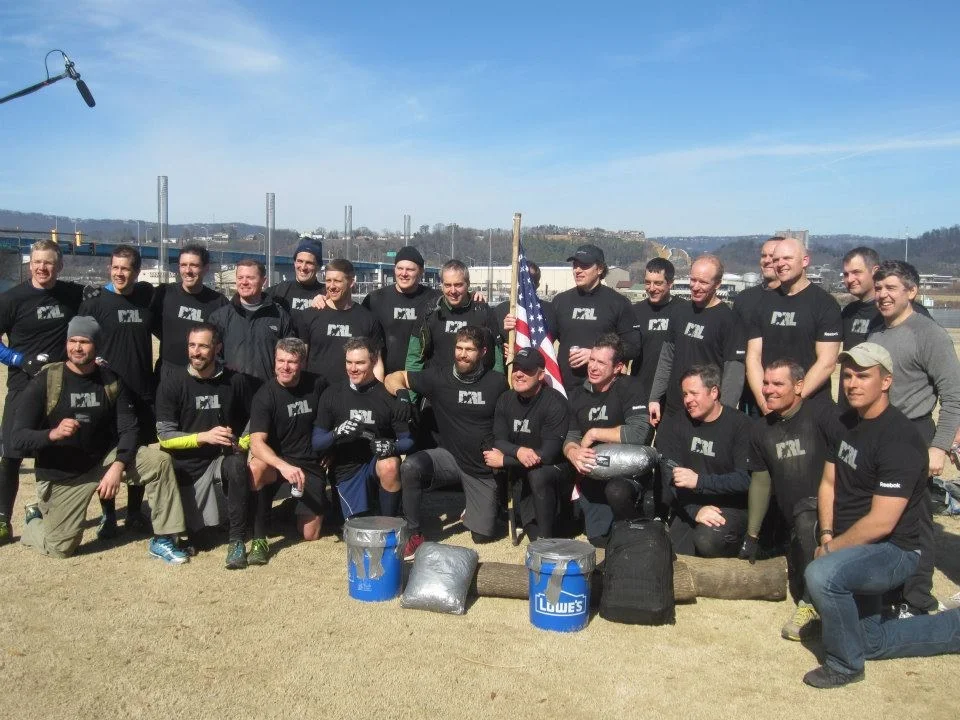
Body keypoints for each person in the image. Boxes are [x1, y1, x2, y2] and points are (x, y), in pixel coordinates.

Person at [802, 342, 960, 689]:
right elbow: (828, 482)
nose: (852, 383)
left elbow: (882, 522)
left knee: (822, 574)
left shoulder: (899, 438)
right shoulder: (845, 423)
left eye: (863, 376)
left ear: (886, 381)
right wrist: (826, 533)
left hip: (893, 550)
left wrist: (830, 550)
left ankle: (844, 665)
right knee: (869, 641)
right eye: (847, 376)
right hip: (854, 545)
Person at [12, 316, 188, 563]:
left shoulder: (110, 380)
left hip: (103, 460)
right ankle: (34, 519)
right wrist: (52, 434)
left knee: (158, 462)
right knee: (60, 547)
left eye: (84, 342)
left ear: (97, 345)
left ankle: (164, 538)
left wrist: (117, 466)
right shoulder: (47, 380)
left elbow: (129, 429)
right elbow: (17, 438)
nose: (77, 347)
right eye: (72, 341)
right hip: (64, 474)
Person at [866, 260, 960, 616]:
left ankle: (917, 599)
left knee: (915, 520)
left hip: (914, 433)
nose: (883, 295)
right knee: (880, 515)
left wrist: (939, 446)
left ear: (912, 291)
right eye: (879, 288)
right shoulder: (876, 330)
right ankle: (888, 590)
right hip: (877, 434)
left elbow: (954, 396)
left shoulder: (928, 334)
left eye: (891, 288)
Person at [741, 359, 843, 641]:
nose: (768, 390)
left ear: (799, 386)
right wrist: (751, 534)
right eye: (765, 383)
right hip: (794, 524)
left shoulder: (823, 416)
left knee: (807, 515)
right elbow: (761, 482)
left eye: (778, 384)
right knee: (797, 576)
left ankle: (812, 603)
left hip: (831, 514)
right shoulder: (760, 429)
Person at [385, 325, 508, 557]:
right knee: (411, 466)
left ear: (483, 352)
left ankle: (480, 509)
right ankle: (414, 533)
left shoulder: (497, 383)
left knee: (482, 536)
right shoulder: (438, 377)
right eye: (459, 348)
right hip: (449, 457)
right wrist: (402, 394)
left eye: (469, 350)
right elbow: (394, 377)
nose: (462, 354)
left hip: (481, 467)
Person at [0, 239, 86, 544]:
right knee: (11, 453)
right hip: (23, 386)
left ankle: (45, 509)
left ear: (59, 265)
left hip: (60, 386)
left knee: (54, 450)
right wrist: (19, 360)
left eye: (48, 262)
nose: (42, 267)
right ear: (30, 264)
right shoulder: (11, 299)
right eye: (37, 262)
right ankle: (2, 520)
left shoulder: (71, 294)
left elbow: (104, 301)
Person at [155, 324, 255, 563]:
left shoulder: (235, 380)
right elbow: (164, 436)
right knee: (201, 540)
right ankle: (196, 523)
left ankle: (237, 539)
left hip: (219, 460)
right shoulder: (172, 382)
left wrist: (243, 442)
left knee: (236, 465)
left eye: (203, 346)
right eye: (192, 345)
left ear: (217, 348)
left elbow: (256, 417)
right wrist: (203, 437)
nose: (196, 352)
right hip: (186, 468)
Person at [78, 245, 159, 537]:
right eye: (115, 267)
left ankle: (135, 512)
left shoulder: (147, 299)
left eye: (125, 268)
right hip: (108, 392)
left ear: (137, 271)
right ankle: (108, 515)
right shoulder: (95, 302)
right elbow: (80, 340)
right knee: (108, 453)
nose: (119, 273)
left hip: (142, 390)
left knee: (139, 452)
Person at [246, 338, 329, 566]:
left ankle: (289, 508)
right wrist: (283, 466)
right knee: (256, 467)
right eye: (280, 360)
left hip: (309, 464)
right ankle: (259, 538)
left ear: (302, 362)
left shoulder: (318, 384)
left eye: (291, 362)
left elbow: (332, 417)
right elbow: (256, 443)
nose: (285, 367)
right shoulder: (265, 395)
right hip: (278, 462)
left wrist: (331, 449)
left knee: (310, 534)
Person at [563, 334, 651, 546]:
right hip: (593, 473)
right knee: (598, 540)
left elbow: (640, 433)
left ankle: (637, 530)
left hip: (626, 474)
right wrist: (573, 452)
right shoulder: (577, 395)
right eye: (592, 360)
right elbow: (571, 436)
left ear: (618, 367)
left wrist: (594, 433)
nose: (593, 367)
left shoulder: (631, 387)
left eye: (601, 363)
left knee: (617, 492)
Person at [312, 337, 413, 520]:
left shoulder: (387, 395)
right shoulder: (332, 394)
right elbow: (317, 442)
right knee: (356, 525)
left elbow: (408, 440)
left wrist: (393, 447)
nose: (353, 368)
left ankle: (389, 521)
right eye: (349, 362)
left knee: (390, 464)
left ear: (373, 362)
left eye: (360, 363)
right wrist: (336, 433)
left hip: (375, 463)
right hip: (346, 469)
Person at [655, 364, 750, 557]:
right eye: (685, 394)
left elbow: (745, 480)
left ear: (714, 392)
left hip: (731, 505)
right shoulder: (677, 422)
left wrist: (700, 481)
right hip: (691, 503)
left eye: (693, 393)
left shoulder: (741, 425)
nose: (688, 400)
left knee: (707, 541)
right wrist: (694, 510)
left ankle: (739, 550)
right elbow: (670, 474)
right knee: (669, 555)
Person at [745, 237, 841, 412]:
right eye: (776, 260)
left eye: (787, 258)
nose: (780, 264)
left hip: (810, 405)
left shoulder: (825, 304)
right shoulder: (763, 303)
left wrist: (793, 401)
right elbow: (753, 358)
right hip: (768, 406)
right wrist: (765, 403)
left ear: (805, 261)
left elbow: (826, 363)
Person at [648, 254, 744, 427]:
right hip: (673, 409)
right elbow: (667, 358)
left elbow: (734, 374)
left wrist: (723, 416)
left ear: (717, 284)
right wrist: (654, 397)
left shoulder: (729, 320)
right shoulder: (680, 312)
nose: (696, 287)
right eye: (693, 280)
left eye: (703, 282)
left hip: (705, 413)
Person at [484, 347, 571, 540]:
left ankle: (546, 543)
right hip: (522, 470)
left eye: (527, 370)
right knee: (532, 532)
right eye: (516, 368)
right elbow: (499, 440)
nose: (519, 374)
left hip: (553, 471)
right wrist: (518, 451)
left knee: (538, 475)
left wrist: (505, 460)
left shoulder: (554, 402)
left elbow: (548, 454)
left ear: (541, 375)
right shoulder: (505, 399)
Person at [550, 244, 640, 390]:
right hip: (565, 387)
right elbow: (544, 339)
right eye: (575, 265)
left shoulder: (618, 302)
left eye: (584, 266)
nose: (577, 270)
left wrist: (595, 355)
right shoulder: (560, 301)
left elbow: (633, 347)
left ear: (600, 269)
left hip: (603, 390)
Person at [404, 260, 503, 375]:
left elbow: (497, 357)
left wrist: (498, 382)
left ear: (468, 284)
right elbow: (414, 356)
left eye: (458, 285)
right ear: (442, 285)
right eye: (447, 285)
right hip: (436, 383)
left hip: (474, 383)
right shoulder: (430, 311)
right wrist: (411, 384)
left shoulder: (483, 311)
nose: (453, 291)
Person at [298, 258, 384, 384]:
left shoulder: (368, 319)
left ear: (351, 282)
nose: (332, 286)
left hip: (353, 392)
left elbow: (376, 363)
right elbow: (301, 360)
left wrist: (378, 392)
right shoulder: (309, 315)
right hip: (315, 390)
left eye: (337, 281)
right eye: (328, 281)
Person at [209, 258, 293, 386]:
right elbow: (212, 355)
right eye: (240, 277)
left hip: (267, 390)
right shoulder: (220, 317)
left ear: (263, 281)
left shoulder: (280, 316)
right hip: (232, 389)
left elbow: (290, 355)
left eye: (250, 278)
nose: (244, 282)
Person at [150, 243, 228, 382]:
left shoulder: (219, 302)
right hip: (167, 374)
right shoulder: (164, 293)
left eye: (194, 265)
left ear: (206, 268)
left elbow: (226, 340)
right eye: (183, 265)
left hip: (203, 376)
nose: (188, 270)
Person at [361, 247, 441, 375]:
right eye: (400, 268)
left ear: (421, 271)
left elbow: (459, 301)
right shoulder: (375, 299)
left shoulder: (435, 298)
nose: (404, 273)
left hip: (422, 377)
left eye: (410, 269)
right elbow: (357, 325)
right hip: (385, 376)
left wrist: (473, 296)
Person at [840, 247, 930, 352]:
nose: (850, 279)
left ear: (875, 271)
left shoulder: (908, 310)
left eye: (856, 272)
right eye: (846, 274)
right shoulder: (849, 312)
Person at [732, 237, 781, 414]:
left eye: (773, 256)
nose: (767, 260)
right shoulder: (745, 299)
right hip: (750, 394)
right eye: (763, 255)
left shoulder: (796, 300)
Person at [630, 258, 681, 403]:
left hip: (674, 393)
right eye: (648, 282)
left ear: (670, 283)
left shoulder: (684, 310)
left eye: (658, 283)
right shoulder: (635, 311)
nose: (651, 288)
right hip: (641, 390)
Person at [267, 239, 325, 329]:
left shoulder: (326, 294)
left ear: (319, 267)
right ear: (294, 263)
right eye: (300, 261)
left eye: (309, 263)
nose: (303, 267)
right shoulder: (280, 290)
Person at [498, 259, 557, 340]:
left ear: (537, 285)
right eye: (521, 278)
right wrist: (502, 341)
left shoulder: (550, 310)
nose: (525, 284)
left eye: (530, 279)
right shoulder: (500, 310)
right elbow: (491, 342)